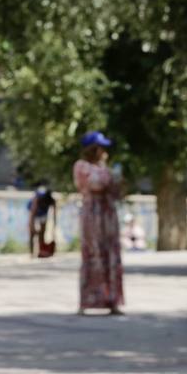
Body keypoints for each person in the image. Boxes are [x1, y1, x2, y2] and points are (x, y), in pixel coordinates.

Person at [73, 131, 124, 314]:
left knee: (111, 253)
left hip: (108, 214)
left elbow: (117, 192)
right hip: (92, 215)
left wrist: (117, 181)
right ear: (94, 149)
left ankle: (112, 301)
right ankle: (87, 301)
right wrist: (110, 177)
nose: (105, 151)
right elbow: (96, 185)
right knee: (92, 254)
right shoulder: (81, 166)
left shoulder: (105, 168)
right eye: (101, 147)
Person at [27, 182, 56, 257]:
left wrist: (54, 227)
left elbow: (54, 215)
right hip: (34, 214)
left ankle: (41, 252)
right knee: (32, 233)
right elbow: (32, 214)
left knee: (42, 234)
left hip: (43, 215)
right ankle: (31, 253)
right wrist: (31, 225)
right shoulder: (37, 199)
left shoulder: (51, 200)